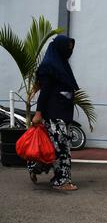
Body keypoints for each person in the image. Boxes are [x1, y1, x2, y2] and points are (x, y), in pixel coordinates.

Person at [29, 35, 79, 191]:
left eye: (71, 48)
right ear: (59, 47)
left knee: (55, 145)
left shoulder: (61, 64)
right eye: (67, 48)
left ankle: (36, 166)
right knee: (62, 148)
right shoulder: (49, 66)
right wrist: (38, 113)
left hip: (64, 112)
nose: (69, 51)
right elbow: (45, 92)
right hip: (55, 114)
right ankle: (62, 181)